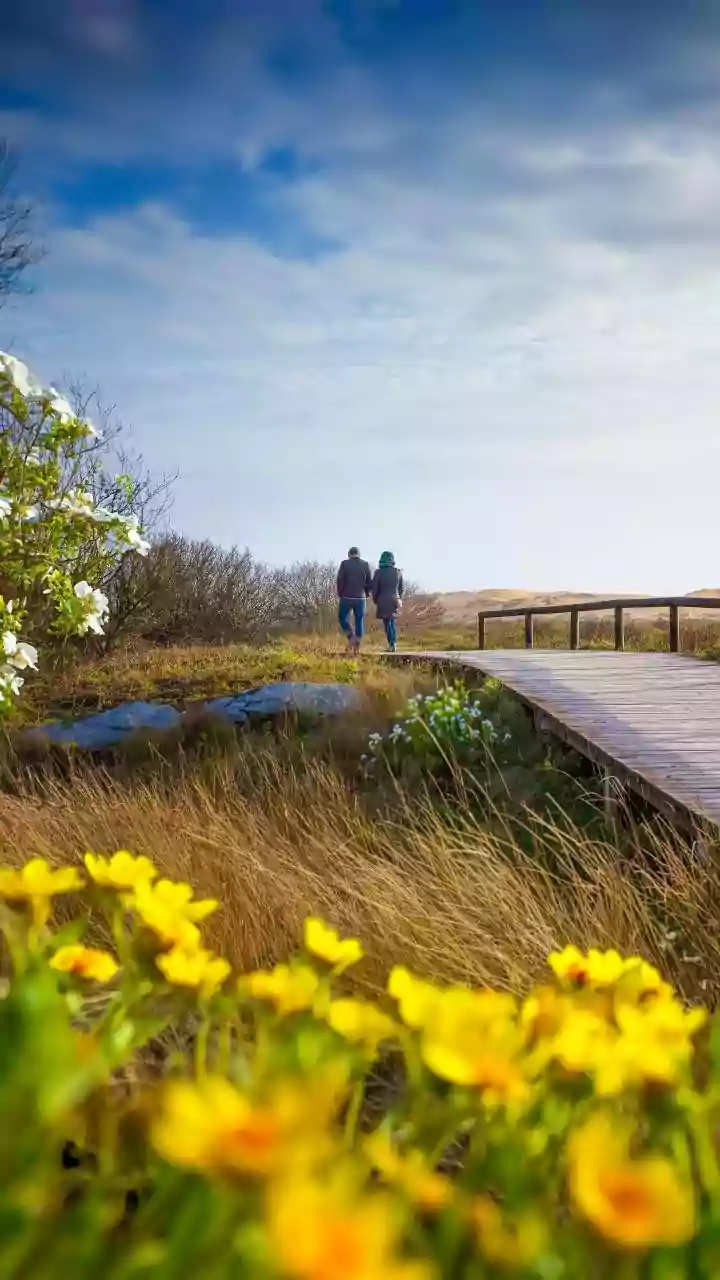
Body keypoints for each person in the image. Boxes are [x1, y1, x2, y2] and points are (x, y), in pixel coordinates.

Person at [336, 546, 372, 653]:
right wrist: (367, 593)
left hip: (346, 596)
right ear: (359, 554)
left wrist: (340, 593)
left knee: (342, 618)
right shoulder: (365, 564)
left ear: (349, 554)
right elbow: (369, 581)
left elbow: (340, 580)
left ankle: (351, 636)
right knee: (359, 619)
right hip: (361, 598)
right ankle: (357, 642)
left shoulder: (345, 564)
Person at [372, 551, 404, 652]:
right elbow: (402, 589)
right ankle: (393, 643)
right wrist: (399, 598)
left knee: (387, 623)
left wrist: (375, 599)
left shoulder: (378, 572)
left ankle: (391, 644)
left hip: (383, 600)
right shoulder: (398, 572)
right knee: (392, 622)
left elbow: (375, 589)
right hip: (395, 600)